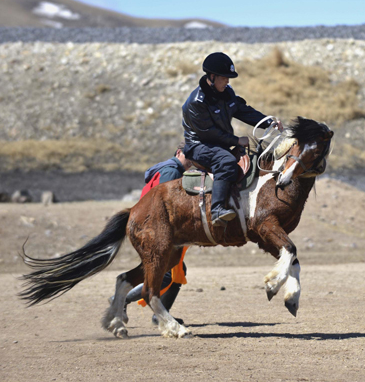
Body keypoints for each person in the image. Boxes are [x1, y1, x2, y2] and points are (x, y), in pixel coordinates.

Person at [182, 52, 283, 226]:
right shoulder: (196, 103)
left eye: (229, 78)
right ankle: (217, 210)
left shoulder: (226, 92)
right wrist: (236, 141)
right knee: (226, 161)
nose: (228, 82)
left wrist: (268, 122)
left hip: (218, 143)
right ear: (212, 77)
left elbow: (243, 110)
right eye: (224, 78)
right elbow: (209, 133)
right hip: (199, 145)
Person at [112, 145, 192, 325]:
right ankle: (124, 299)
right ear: (178, 153)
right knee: (166, 273)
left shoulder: (168, 169)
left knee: (175, 271)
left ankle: (161, 314)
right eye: (189, 155)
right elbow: (165, 204)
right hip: (155, 229)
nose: (192, 160)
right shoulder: (171, 172)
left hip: (152, 227)